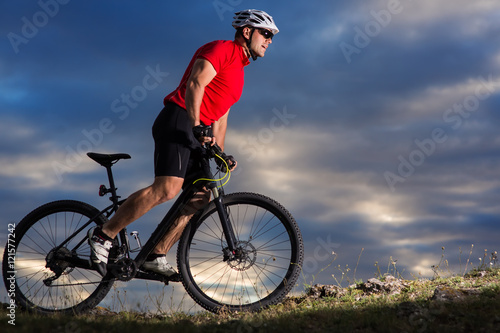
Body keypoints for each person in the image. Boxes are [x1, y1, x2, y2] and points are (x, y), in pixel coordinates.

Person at [88, 9, 279, 277]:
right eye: (266, 33)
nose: (270, 40)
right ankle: (103, 234)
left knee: (199, 196)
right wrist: (196, 125)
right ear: (247, 32)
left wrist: (220, 153)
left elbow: (221, 119)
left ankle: (155, 254)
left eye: (272, 36)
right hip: (179, 119)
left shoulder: (240, 71)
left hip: (197, 132)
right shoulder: (222, 49)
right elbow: (195, 84)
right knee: (167, 189)